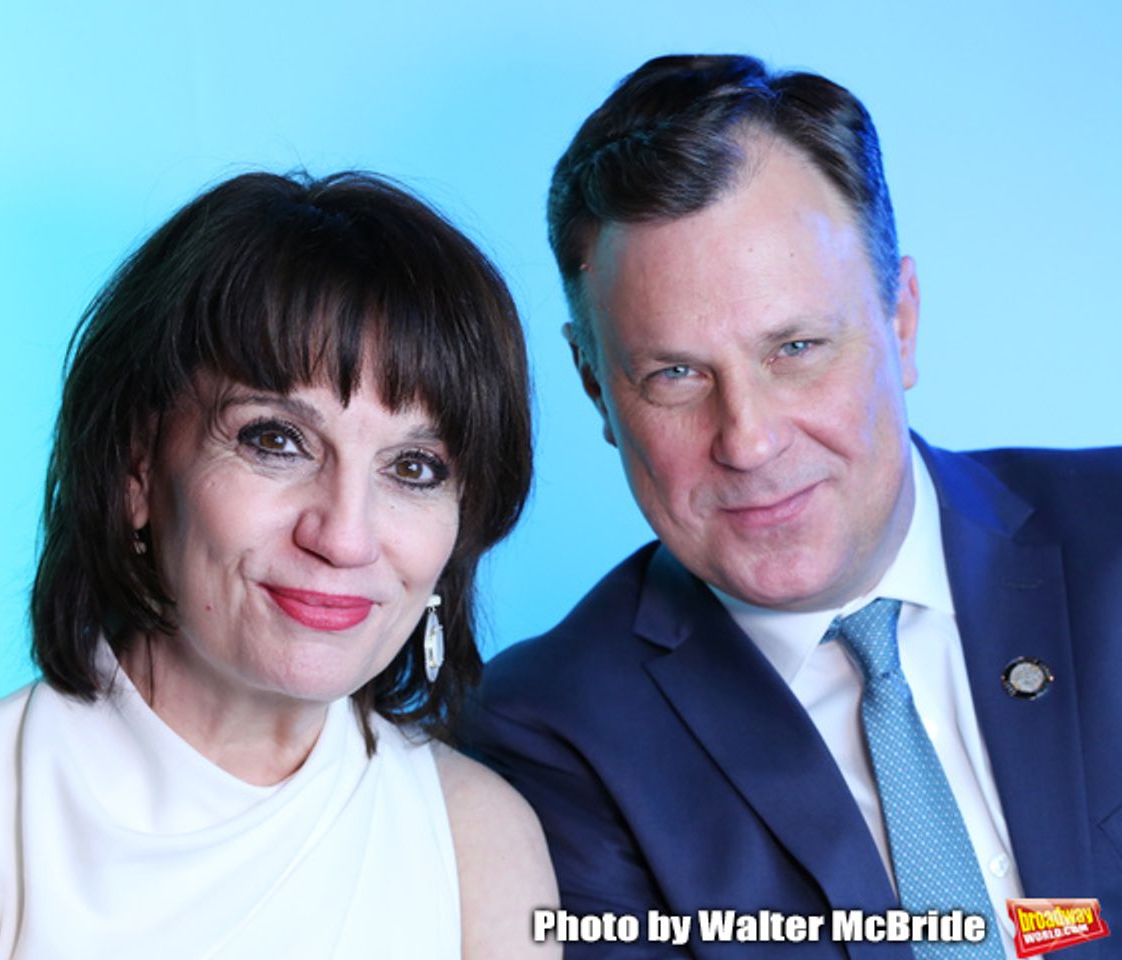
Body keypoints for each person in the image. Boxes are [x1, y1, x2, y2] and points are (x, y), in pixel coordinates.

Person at [459, 54, 1122, 958]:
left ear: (903, 321)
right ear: (594, 388)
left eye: (797, 347)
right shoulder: (550, 737)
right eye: (676, 375)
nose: (749, 439)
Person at [0, 171, 558, 959]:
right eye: (275, 439)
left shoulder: (483, 844)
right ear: (137, 471)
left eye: (415, 468)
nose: (346, 537)